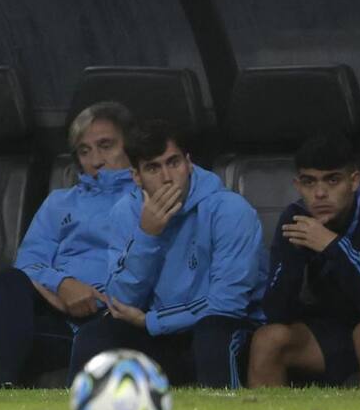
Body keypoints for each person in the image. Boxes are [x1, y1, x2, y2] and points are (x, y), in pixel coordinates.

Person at [70, 119, 266, 388]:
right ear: (136, 176)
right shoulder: (125, 213)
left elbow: (226, 305)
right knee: (95, 335)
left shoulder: (230, 210)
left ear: (188, 162)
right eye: (152, 167)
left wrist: (153, 321)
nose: (166, 177)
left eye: (173, 163)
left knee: (213, 333)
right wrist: (147, 236)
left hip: (225, 327)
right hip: (158, 332)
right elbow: (119, 301)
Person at [0, 102, 136, 388]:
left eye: (106, 145)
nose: (95, 160)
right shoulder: (59, 202)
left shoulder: (147, 199)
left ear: (129, 147)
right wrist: (63, 283)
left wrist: (95, 295)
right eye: (85, 151)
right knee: (7, 283)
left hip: (111, 316)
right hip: (54, 312)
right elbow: (29, 263)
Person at [248, 136, 360, 387]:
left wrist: (333, 245)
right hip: (341, 328)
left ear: (354, 181)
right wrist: (294, 259)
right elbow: (276, 313)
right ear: (297, 185)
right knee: (268, 339)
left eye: (332, 180)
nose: (320, 193)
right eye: (309, 182)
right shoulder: (296, 218)